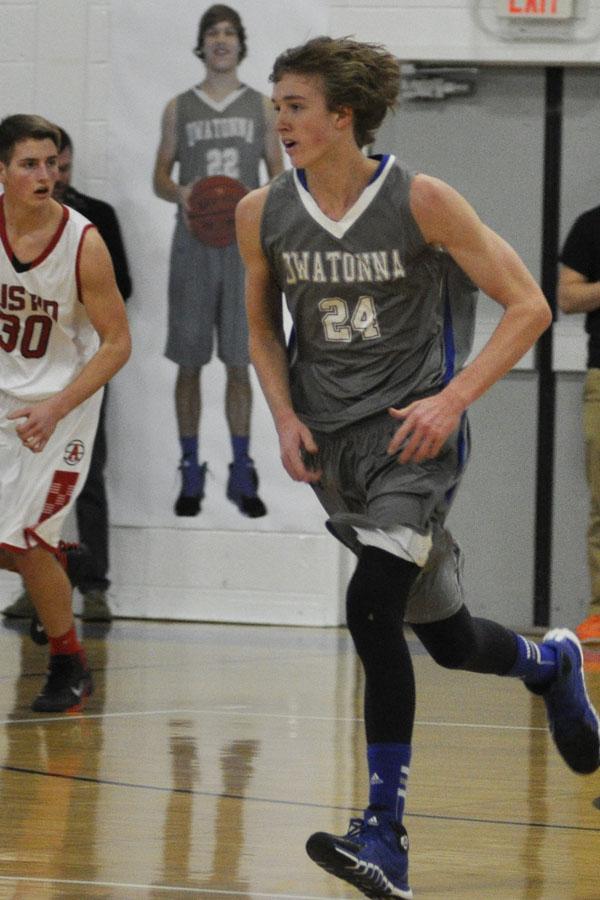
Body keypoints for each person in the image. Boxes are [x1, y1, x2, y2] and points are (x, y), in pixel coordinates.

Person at [235, 37, 600, 899]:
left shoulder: (422, 200)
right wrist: (283, 415)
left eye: (295, 104)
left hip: (413, 440)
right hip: (332, 446)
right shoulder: (262, 212)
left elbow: (531, 304)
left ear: (341, 115)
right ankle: (549, 667)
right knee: (448, 639)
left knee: (369, 608)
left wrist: (453, 400)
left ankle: (386, 836)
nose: (281, 118)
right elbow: (258, 324)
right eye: (276, 103)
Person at [0, 114, 131, 712]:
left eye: (51, 163)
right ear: (2, 171)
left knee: (26, 538)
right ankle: (61, 564)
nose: (45, 175)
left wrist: (55, 406)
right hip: (7, 399)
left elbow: (116, 343)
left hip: (63, 405)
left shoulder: (84, 241)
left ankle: (70, 664)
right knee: (29, 548)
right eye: (29, 163)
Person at [152, 4, 284, 518]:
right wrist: (181, 191)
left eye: (230, 33)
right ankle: (190, 468)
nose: (222, 40)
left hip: (242, 245)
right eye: (213, 33)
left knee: (239, 362)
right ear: (202, 45)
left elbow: (277, 174)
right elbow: (159, 177)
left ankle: (241, 469)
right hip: (192, 243)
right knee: (189, 361)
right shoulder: (178, 108)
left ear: (240, 44)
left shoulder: (263, 108)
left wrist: (254, 202)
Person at [558, 207, 600, 645]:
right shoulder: (592, 224)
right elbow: (567, 297)